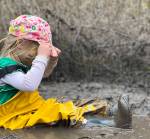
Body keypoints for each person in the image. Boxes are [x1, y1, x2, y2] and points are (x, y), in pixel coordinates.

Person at [0, 15, 132, 130]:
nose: (38, 54)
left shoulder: (21, 64)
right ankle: (110, 124)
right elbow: (29, 85)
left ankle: (110, 110)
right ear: (21, 43)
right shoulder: (4, 66)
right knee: (60, 114)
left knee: (67, 104)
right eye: (37, 48)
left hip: (33, 108)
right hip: (15, 117)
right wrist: (41, 58)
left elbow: (43, 74)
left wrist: (50, 60)